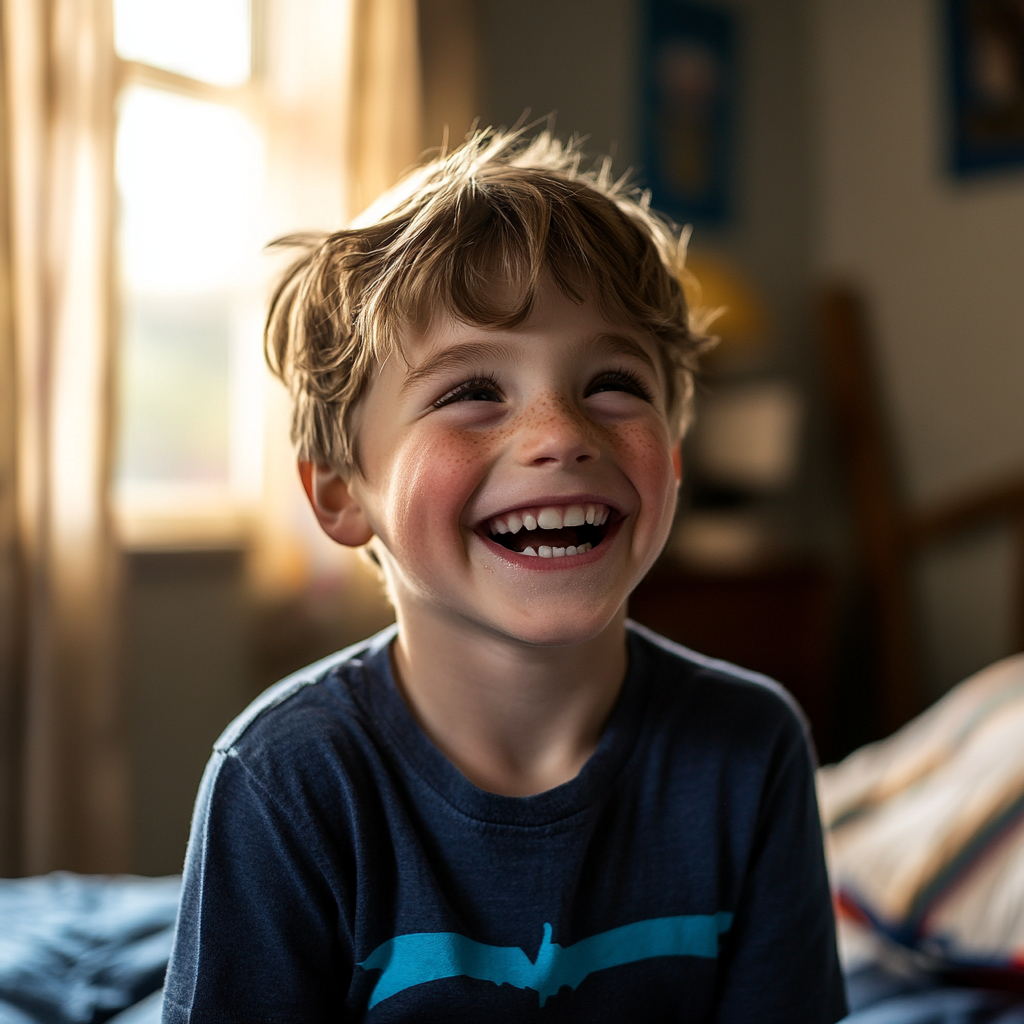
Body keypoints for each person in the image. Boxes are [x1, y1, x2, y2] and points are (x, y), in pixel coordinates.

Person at [162, 129, 847, 1022]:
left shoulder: (752, 752)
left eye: (613, 382)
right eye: (471, 392)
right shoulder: (283, 781)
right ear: (340, 494)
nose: (561, 432)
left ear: (672, 461)